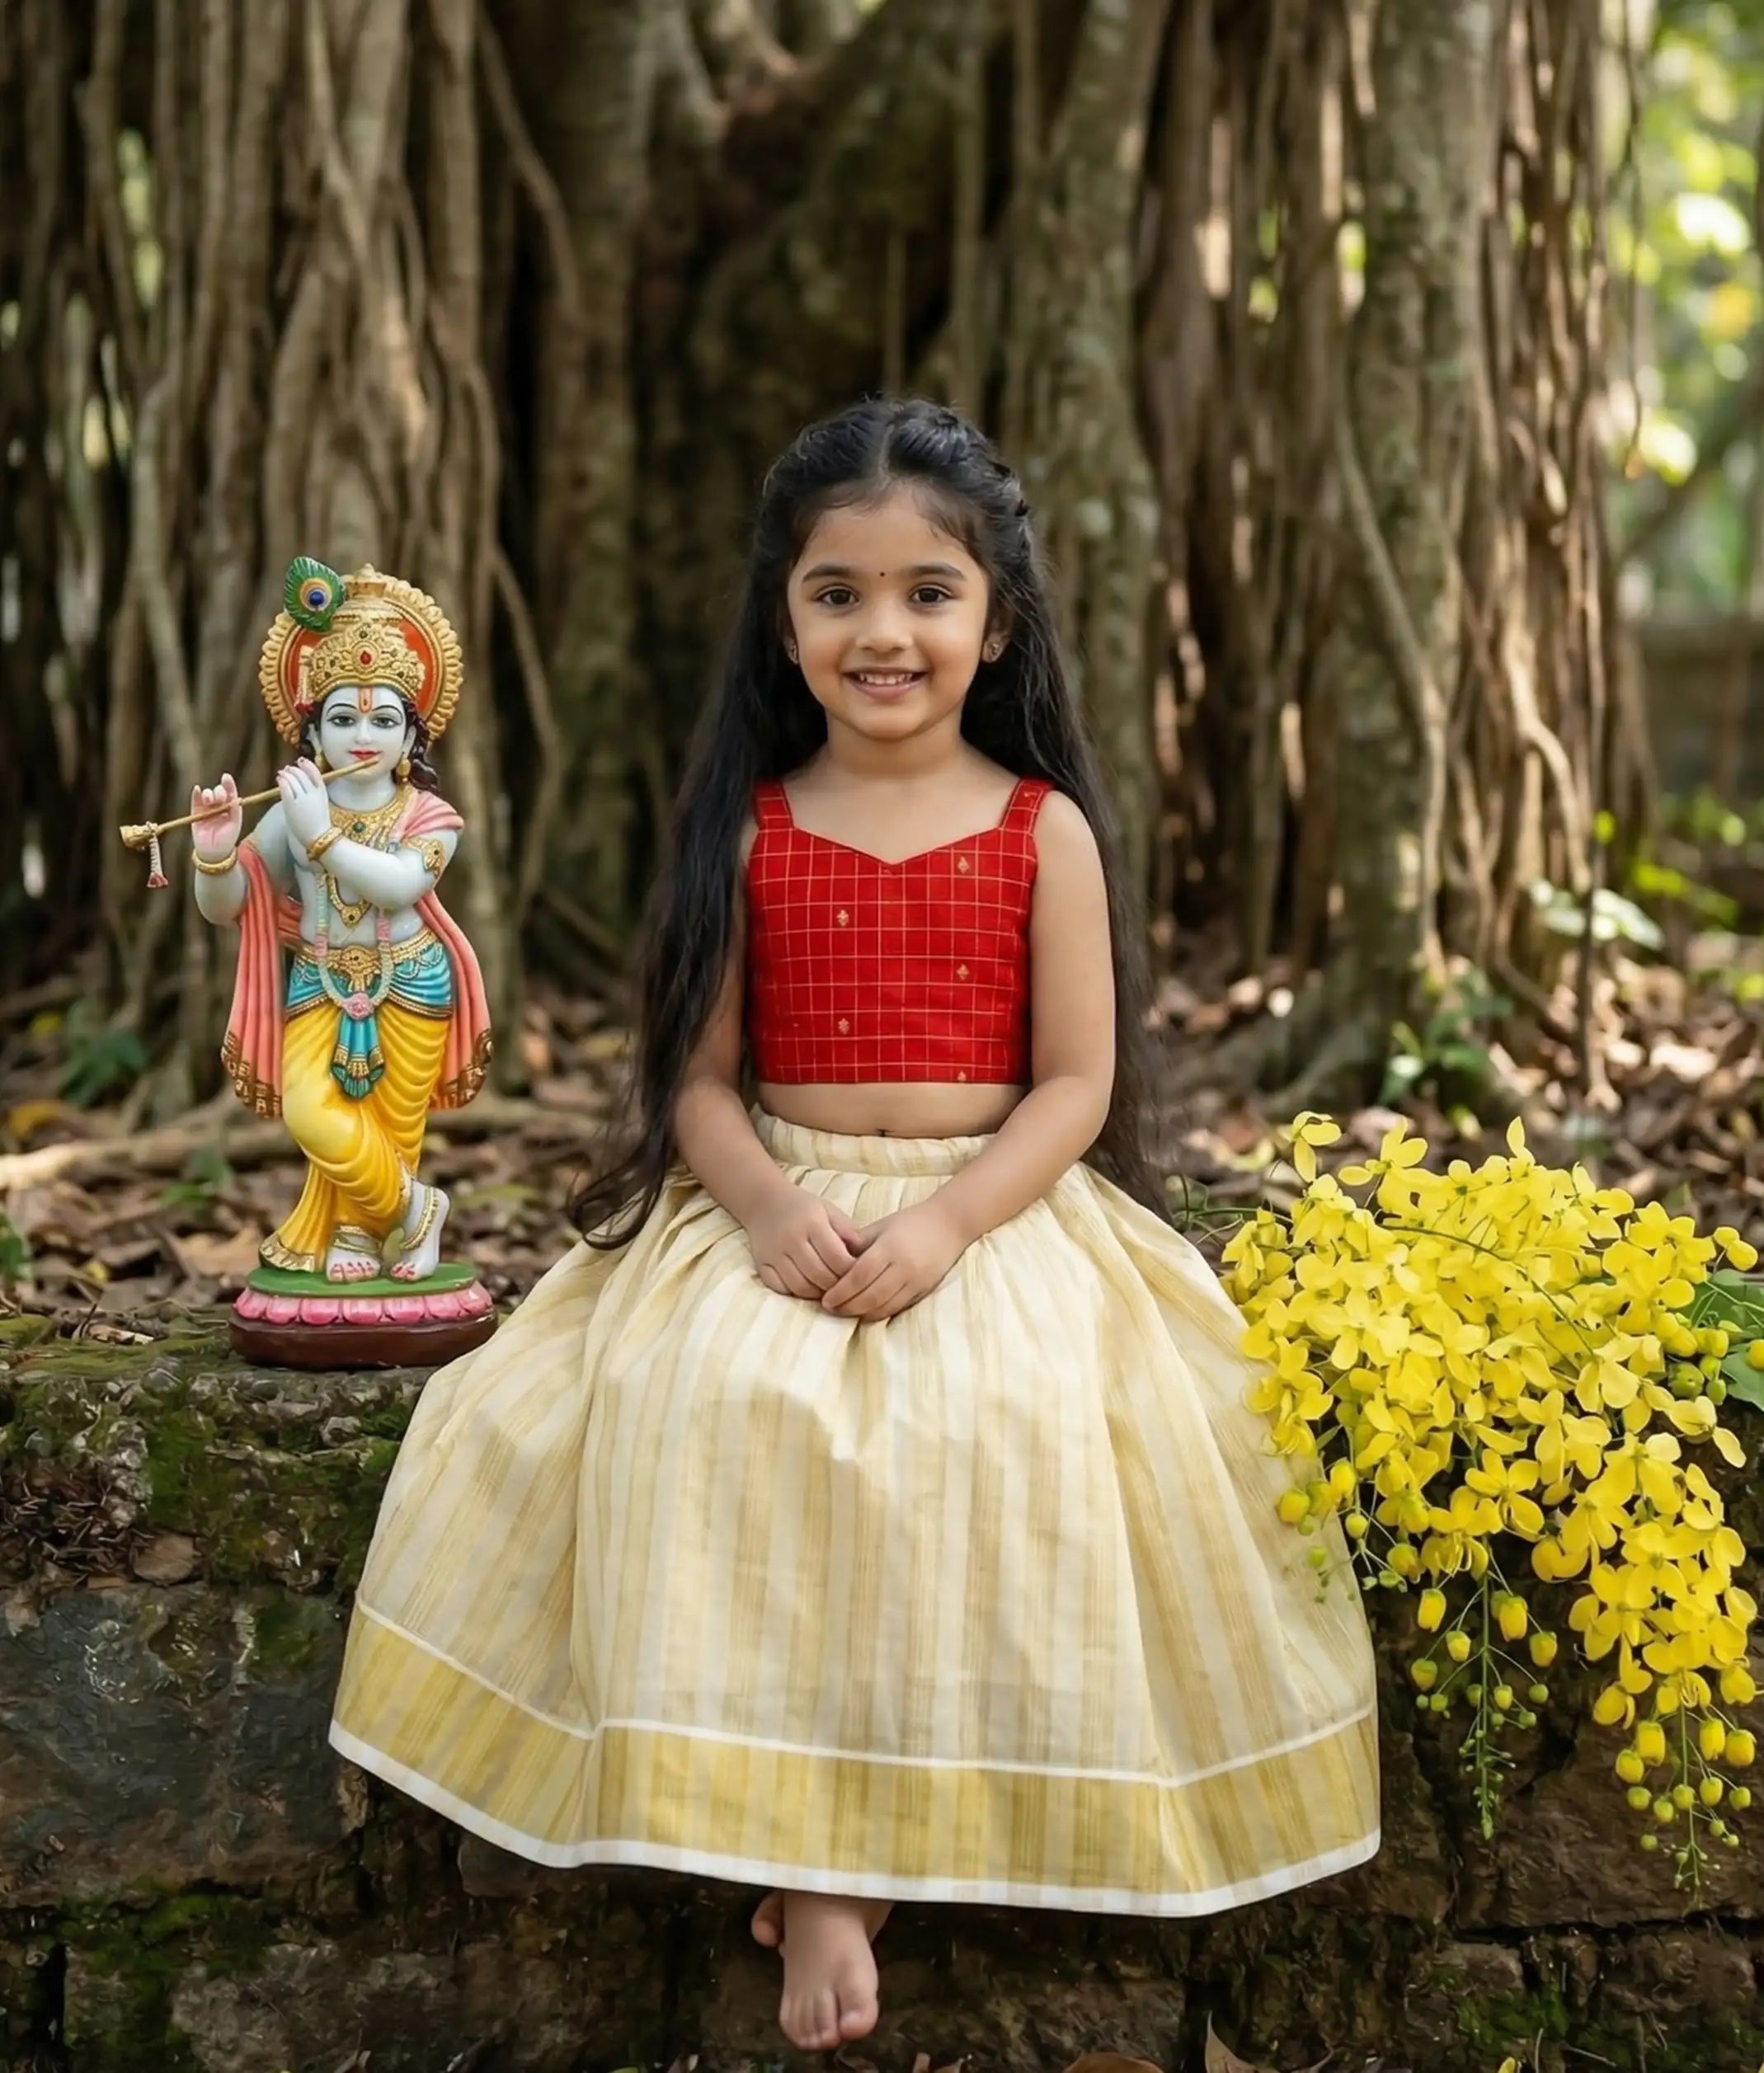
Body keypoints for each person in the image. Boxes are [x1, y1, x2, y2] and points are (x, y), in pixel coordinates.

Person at [330, 397, 1379, 2051]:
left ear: (996, 623)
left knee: (1014, 1419)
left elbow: (1075, 1086)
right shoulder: (748, 828)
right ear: (783, 620)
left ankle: (859, 1860)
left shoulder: (1042, 832)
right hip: (778, 1201)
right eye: (837, 593)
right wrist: (760, 1203)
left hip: (993, 1215)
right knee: (706, 1399)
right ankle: (813, 1858)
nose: (882, 630)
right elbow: (696, 1082)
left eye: (926, 592)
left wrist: (950, 1224)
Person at [190, 563, 490, 1283]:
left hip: (412, 979)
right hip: (319, 981)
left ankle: (359, 1233)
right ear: (314, 735)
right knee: (312, 1114)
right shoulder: (291, 814)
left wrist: (320, 836)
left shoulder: (428, 816)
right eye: (343, 719)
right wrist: (215, 854)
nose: (362, 736)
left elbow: (401, 886)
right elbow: (229, 907)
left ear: (410, 738)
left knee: (391, 1125)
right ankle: (417, 1208)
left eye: (383, 721)